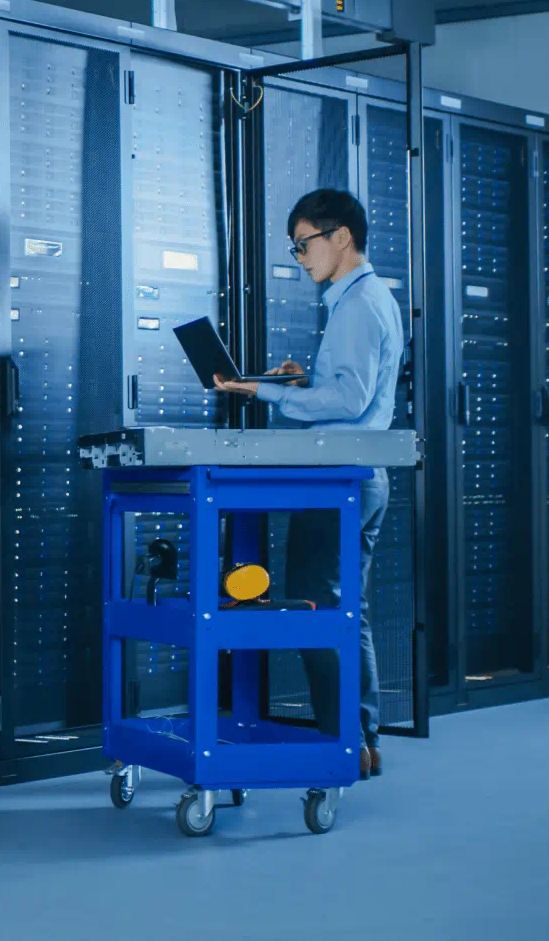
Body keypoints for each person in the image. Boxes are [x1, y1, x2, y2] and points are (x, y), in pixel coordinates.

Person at [213, 188, 405, 780]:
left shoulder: (356, 304)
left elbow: (347, 401)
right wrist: (301, 384)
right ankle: (361, 738)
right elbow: (351, 390)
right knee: (351, 608)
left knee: (319, 605)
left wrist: (261, 390)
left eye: (305, 244)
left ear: (341, 236)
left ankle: (340, 740)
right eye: (295, 249)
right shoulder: (370, 298)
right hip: (364, 475)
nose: (300, 258)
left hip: (340, 481)